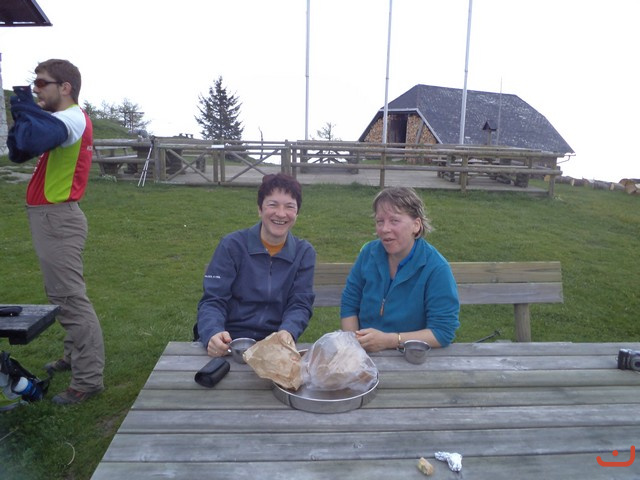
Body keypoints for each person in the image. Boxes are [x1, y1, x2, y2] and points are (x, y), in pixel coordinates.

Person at [7, 59, 105, 405]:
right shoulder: (65, 118)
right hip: (54, 217)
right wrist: (25, 113)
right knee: (62, 294)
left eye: (42, 83)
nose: (36, 89)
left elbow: (31, 138)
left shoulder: (70, 118)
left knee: (70, 300)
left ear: (65, 87)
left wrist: (25, 111)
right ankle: (73, 355)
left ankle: (88, 380)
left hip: (56, 218)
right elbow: (19, 151)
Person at [196, 173, 316, 357]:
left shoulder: (304, 253)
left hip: (274, 345)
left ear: (297, 213)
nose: (281, 213)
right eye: (272, 204)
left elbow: (300, 303)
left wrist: (288, 331)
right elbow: (213, 299)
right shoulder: (232, 245)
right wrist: (213, 332)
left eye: (289, 206)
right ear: (260, 209)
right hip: (229, 342)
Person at [340, 186, 459, 352]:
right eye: (380, 221)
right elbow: (349, 304)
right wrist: (354, 346)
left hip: (410, 355)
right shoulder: (368, 254)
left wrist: (390, 340)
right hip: (364, 352)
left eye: (394, 221)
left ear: (416, 225)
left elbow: (442, 332)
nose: (384, 229)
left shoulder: (436, 268)